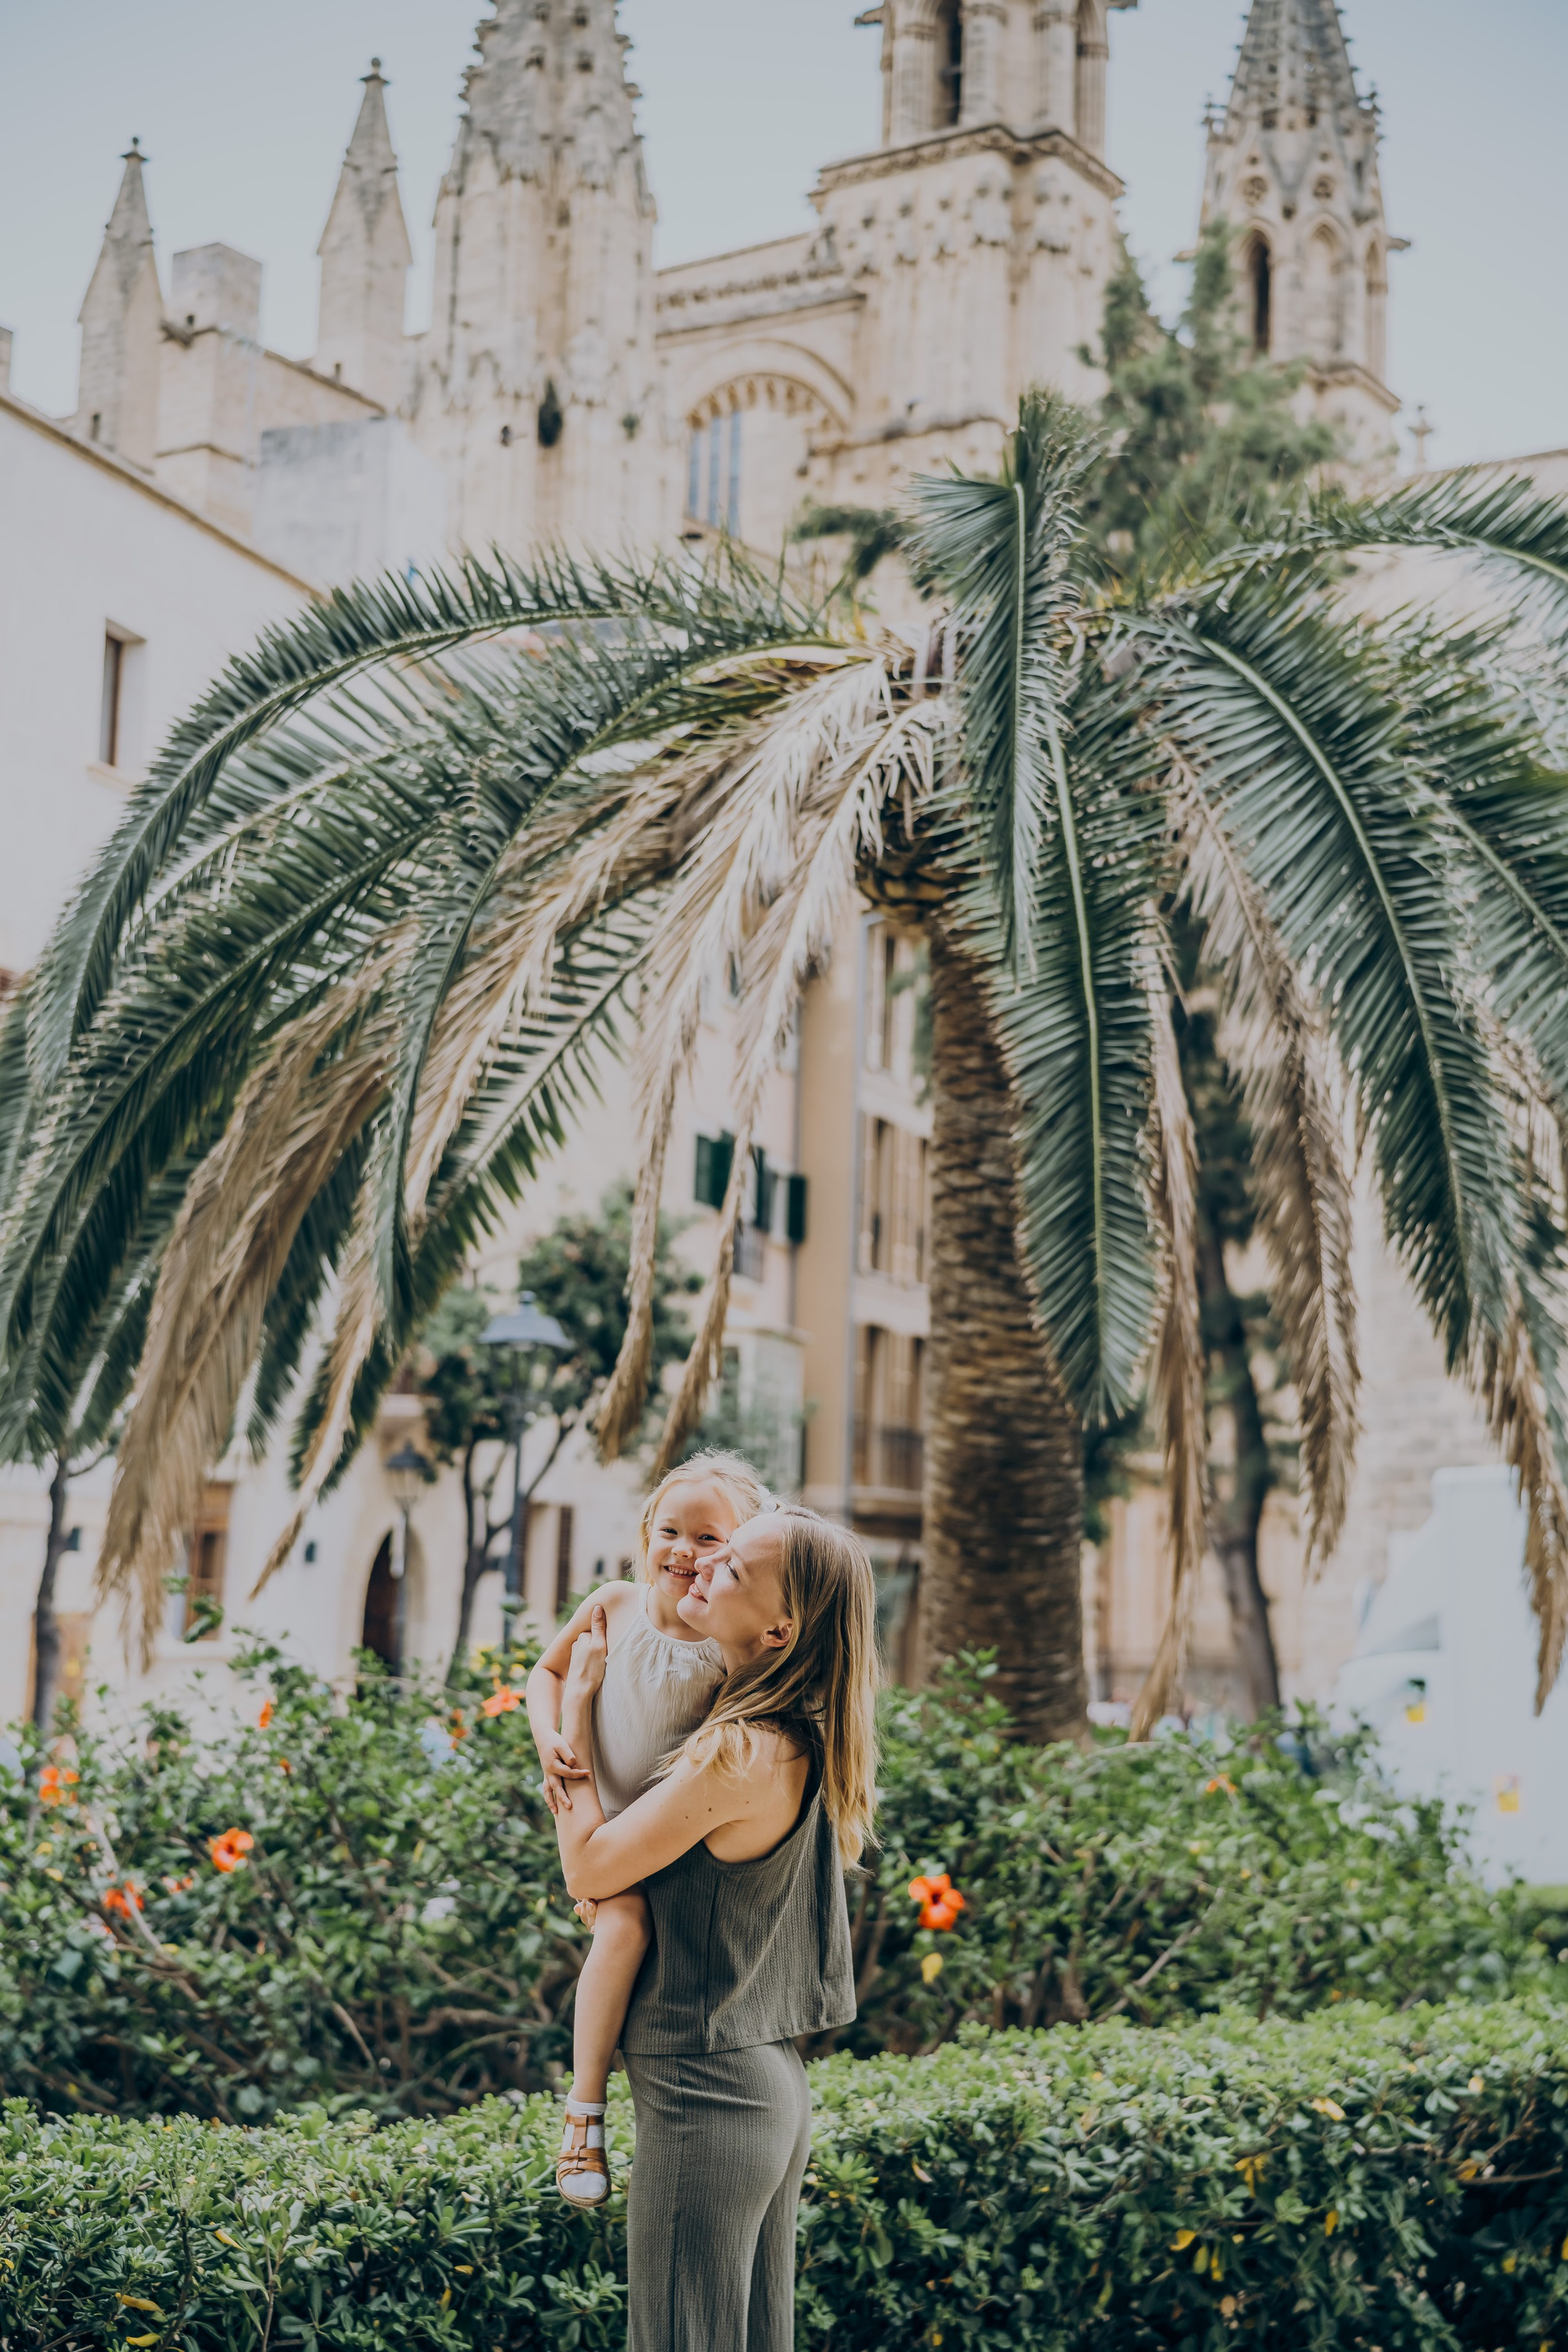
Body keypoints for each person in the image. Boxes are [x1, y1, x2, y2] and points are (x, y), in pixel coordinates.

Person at [553, 1504, 878, 2352]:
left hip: (708, 2095)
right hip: (754, 2078)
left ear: (780, 1628)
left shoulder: (737, 1750)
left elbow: (589, 1868)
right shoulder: (789, 1729)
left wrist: (577, 1711)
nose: (698, 1568)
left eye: (730, 1568)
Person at [526, 1450, 769, 2204]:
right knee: (623, 1928)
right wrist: (549, 1739)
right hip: (598, 1817)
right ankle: (584, 2114)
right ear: (645, 1533)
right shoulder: (614, 1605)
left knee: (632, 1928)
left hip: (665, 1844)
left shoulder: (728, 1651)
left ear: (739, 1556)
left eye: (708, 1540)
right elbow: (548, 1672)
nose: (684, 1554)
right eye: (671, 1531)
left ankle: (591, 2112)